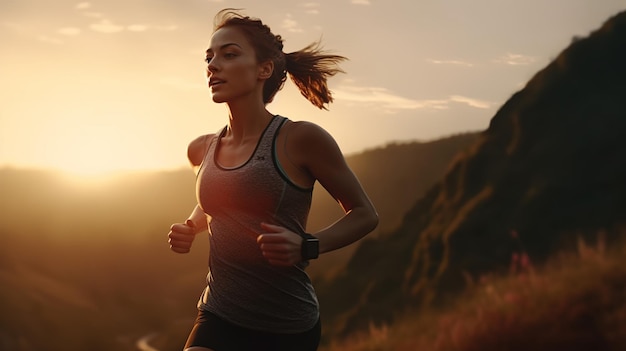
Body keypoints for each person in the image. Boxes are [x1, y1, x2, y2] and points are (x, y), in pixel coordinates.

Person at [167, 8, 378, 351]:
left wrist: (307, 245)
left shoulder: (301, 139)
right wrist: (191, 226)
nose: (213, 65)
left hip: (286, 324)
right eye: (210, 57)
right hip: (218, 312)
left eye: (229, 54)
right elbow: (219, 201)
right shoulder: (201, 149)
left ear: (264, 69)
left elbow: (365, 214)